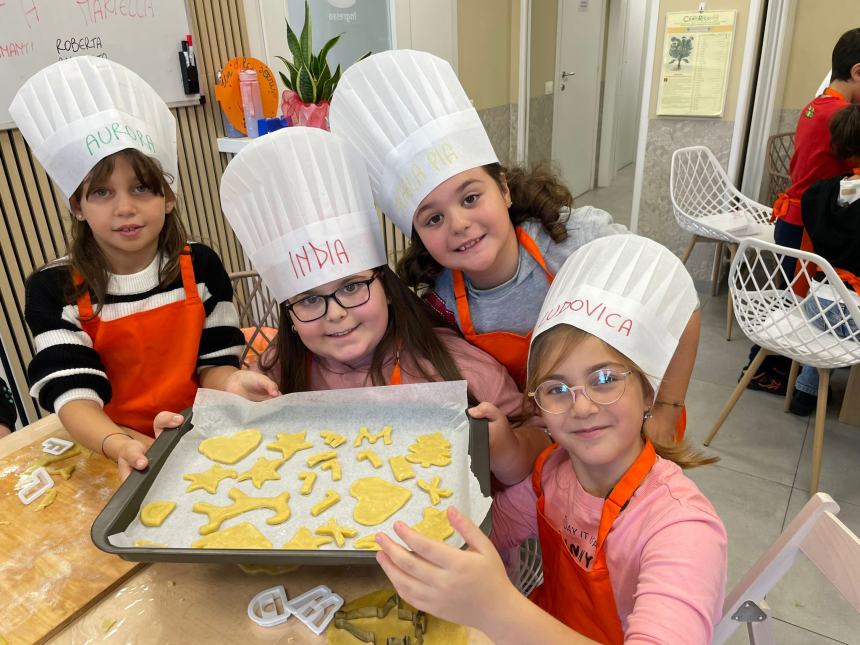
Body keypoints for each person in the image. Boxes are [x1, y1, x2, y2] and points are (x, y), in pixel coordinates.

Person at [330, 49, 700, 444]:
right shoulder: (442, 299)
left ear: (503, 189)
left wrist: (667, 406)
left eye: (470, 198)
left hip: (621, 429)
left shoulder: (576, 242)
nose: (459, 224)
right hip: (534, 442)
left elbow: (680, 301)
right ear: (419, 236)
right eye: (433, 218)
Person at [374, 234, 727, 644]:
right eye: (557, 389)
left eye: (605, 379)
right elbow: (493, 530)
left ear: (647, 392)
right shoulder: (552, 476)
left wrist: (498, 608)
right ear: (537, 406)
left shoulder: (682, 528)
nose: (582, 407)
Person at [213, 126, 547, 484]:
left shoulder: (458, 370)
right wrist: (233, 402)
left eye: (353, 286)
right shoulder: (279, 370)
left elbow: (537, 439)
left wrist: (506, 445)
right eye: (310, 299)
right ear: (290, 317)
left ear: (386, 287)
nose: (336, 312)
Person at [12, 57, 277, 479]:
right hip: (106, 445)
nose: (125, 208)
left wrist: (232, 384)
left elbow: (213, 365)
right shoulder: (55, 287)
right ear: (77, 206)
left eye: (141, 188)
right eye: (101, 192)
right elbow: (74, 395)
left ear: (168, 198)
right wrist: (120, 443)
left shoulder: (201, 266)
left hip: (196, 435)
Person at [746, 27, 860, 395]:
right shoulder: (843, 116)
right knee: (797, 304)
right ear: (857, 72)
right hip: (809, 224)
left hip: (791, 216)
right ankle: (771, 372)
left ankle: (767, 368)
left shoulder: (817, 105)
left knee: (786, 297)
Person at [788, 104, 860, 415]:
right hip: (855, 316)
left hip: (815, 307)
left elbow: (808, 260)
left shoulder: (820, 194)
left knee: (826, 322)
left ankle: (806, 390)